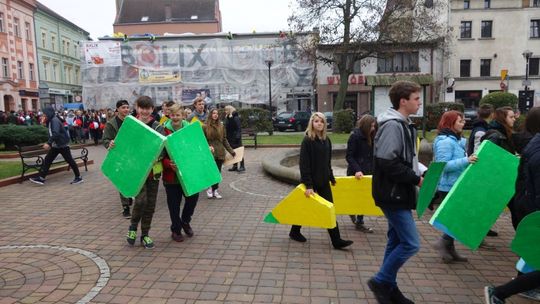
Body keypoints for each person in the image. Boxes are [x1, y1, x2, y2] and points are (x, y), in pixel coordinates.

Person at [368, 81, 423, 304]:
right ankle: (381, 281)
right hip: (393, 194)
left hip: (397, 192)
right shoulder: (393, 126)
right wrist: (415, 178)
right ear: (403, 101)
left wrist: (423, 172)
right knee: (411, 243)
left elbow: (406, 159)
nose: (419, 102)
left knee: (395, 240)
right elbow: (387, 162)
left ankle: (389, 288)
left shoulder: (403, 124)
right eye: (416, 98)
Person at [484, 107, 540, 303]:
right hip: (532, 207)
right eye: (510, 116)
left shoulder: (531, 142)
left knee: (533, 254)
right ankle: (500, 292)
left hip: (528, 205)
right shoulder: (499, 136)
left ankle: (502, 292)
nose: (513, 119)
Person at [289, 112, 354, 250]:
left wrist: (331, 176)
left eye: (322, 121)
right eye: (316, 121)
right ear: (312, 123)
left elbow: (327, 162)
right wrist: (308, 185)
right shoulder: (308, 141)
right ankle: (294, 231)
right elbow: (304, 164)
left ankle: (336, 240)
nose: (319, 123)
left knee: (329, 208)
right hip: (310, 183)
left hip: (323, 181)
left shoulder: (326, 140)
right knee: (306, 208)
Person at [432, 111, 477, 263]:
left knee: (455, 218)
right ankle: (444, 243)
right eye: (460, 121)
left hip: (457, 183)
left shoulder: (457, 140)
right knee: (455, 218)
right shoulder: (445, 142)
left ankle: (449, 247)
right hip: (448, 185)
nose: (463, 123)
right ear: (450, 123)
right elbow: (443, 166)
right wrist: (466, 160)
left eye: (463, 121)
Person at [124, 96, 163, 249]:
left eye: (148, 108)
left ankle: (145, 234)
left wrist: (157, 157)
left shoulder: (157, 126)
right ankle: (133, 227)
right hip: (136, 170)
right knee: (140, 200)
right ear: (137, 108)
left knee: (151, 205)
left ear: (152, 109)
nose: (145, 111)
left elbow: (163, 148)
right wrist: (113, 143)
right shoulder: (131, 125)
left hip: (153, 171)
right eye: (142, 108)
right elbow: (124, 145)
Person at [162, 104, 200, 242]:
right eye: (173, 115)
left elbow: (197, 146)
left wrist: (208, 149)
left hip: (189, 173)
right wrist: (167, 163)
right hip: (171, 175)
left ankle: (185, 221)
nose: (175, 118)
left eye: (178, 115)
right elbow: (159, 153)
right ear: (169, 115)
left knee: (192, 198)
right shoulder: (163, 130)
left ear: (183, 115)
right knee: (174, 204)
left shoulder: (190, 128)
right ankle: (176, 229)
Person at [482, 106, 517, 238]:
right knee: (514, 209)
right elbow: (487, 157)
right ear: (503, 119)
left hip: (502, 179)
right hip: (497, 181)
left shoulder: (505, 134)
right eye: (511, 117)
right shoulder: (496, 136)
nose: (514, 119)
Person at [29, 107, 83, 185]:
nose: (43, 116)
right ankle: (41, 178)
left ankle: (78, 177)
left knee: (69, 160)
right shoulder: (51, 120)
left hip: (62, 145)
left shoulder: (54, 120)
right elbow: (52, 132)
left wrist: (49, 143)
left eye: (44, 114)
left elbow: (56, 133)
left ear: (49, 113)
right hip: (57, 145)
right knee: (48, 159)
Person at [345, 114, 376, 233]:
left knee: (364, 197)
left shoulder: (372, 136)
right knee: (356, 197)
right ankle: (354, 214)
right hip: (356, 172)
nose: (373, 128)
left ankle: (359, 220)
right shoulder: (355, 137)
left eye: (374, 126)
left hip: (368, 171)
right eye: (371, 126)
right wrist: (357, 169)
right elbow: (349, 156)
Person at [102, 100, 133, 218]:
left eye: (127, 107)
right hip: (120, 157)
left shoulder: (133, 121)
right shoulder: (111, 124)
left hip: (133, 155)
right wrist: (109, 144)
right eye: (123, 107)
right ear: (118, 109)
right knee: (122, 181)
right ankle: (125, 207)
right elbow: (105, 139)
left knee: (132, 178)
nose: (126, 109)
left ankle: (129, 195)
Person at [203, 108, 236, 199]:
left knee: (218, 173)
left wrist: (231, 151)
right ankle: (210, 188)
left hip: (220, 152)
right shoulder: (205, 126)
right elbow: (202, 140)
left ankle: (215, 190)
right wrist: (207, 147)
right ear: (210, 114)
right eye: (213, 113)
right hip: (210, 152)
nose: (215, 115)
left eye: (217, 113)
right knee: (211, 171)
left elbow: (224, 140)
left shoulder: (221, 126)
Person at [224, 105, 245, 172]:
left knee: (239, 151)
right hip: (230, 137)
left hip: (236, 138)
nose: (225, 111)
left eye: (226, 110)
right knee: (233, 151)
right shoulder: (228, 118)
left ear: (230, 110)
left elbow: (239, 128)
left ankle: (242, 166)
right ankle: (235, 166)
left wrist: (237, 137)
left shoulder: (236, 117)